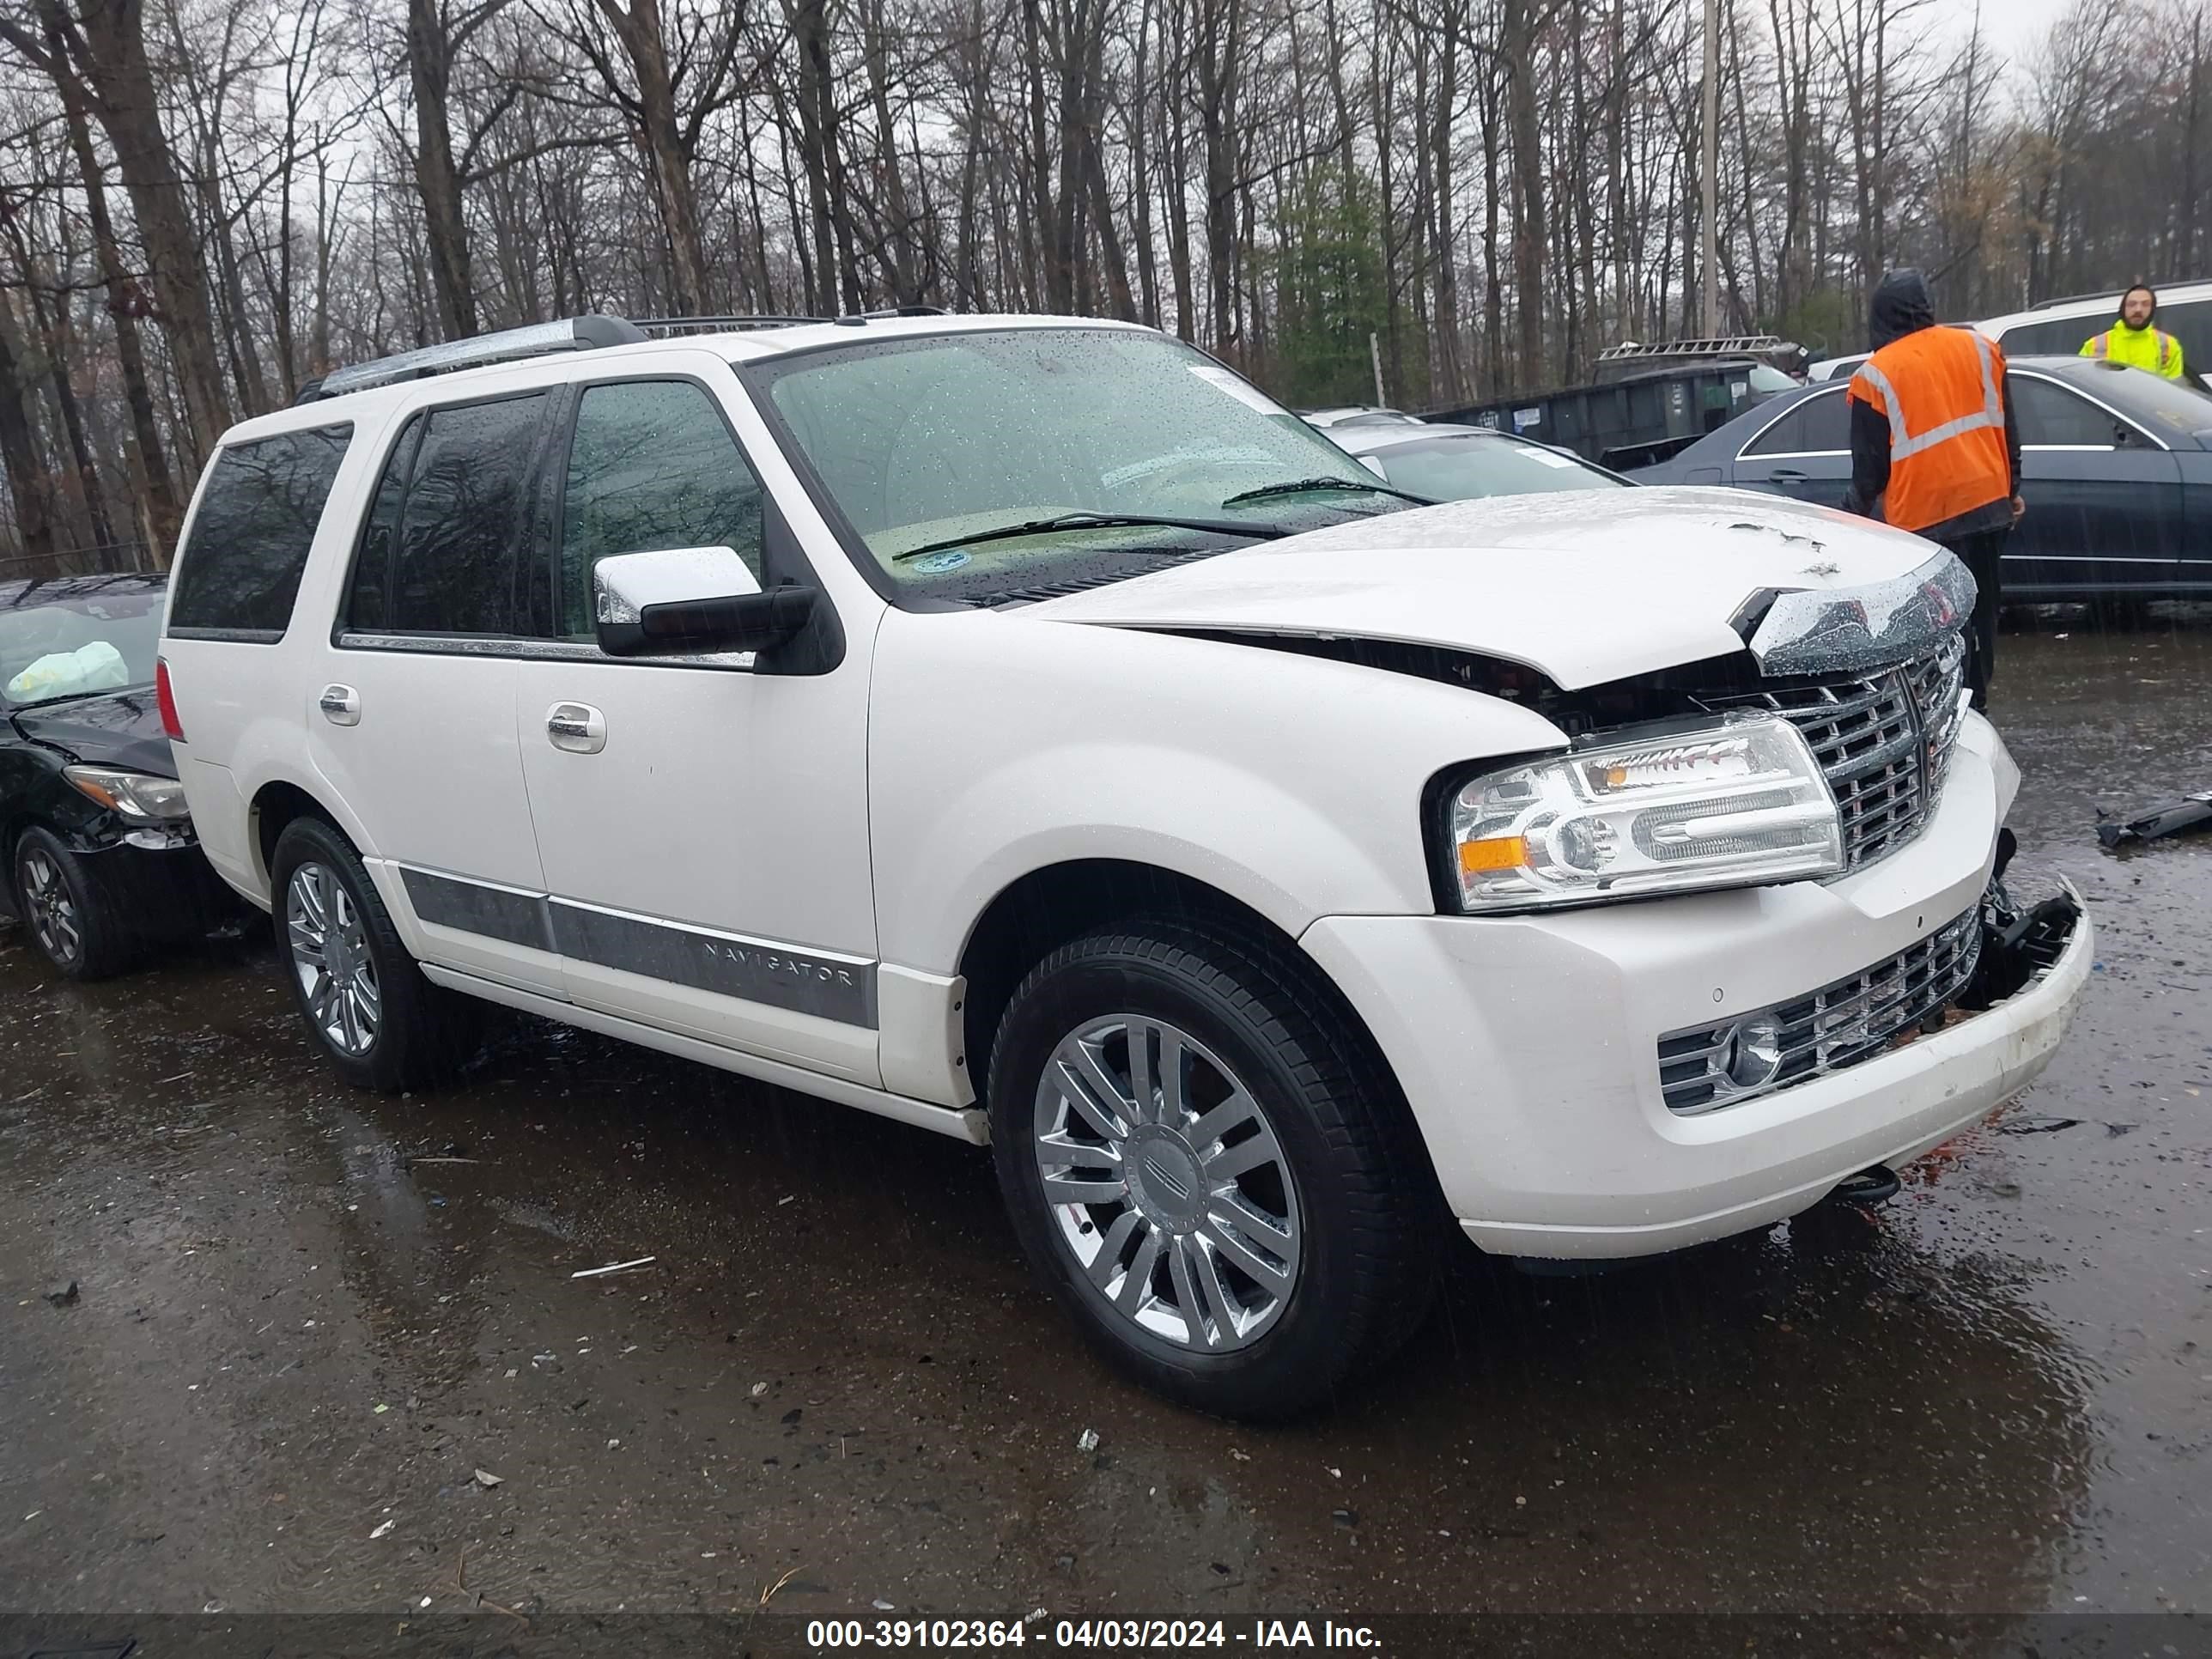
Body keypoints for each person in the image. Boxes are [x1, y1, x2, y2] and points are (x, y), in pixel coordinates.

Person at [1845, 270, 2023, 708]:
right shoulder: (1980, 347)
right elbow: (2007, 427)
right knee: (1983, 611)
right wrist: (2012, 486)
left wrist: (1851, 514)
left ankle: (1948, 707)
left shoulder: (1876, 375)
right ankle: (1978, 697)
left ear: (1880, 316)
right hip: (1987, 503)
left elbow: (1870, 469)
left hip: (1924, 521)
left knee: (1939, 624)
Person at [2081, 283, 2185, 380]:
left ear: (2152, 309)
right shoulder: (2095, 346)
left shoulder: (2169, 346)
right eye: (2132, 304)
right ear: (2123, 308)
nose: (2138, 310)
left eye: (2145, 304)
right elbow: (2081, 383)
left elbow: (2174, 391)